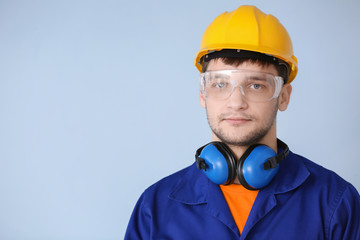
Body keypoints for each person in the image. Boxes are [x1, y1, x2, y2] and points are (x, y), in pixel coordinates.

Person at [125, 5, 360, 239]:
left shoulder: (335, 202)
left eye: (256, 85)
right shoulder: (155, 209)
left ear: (284, 96)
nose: (236, 102)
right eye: (220, 84)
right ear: (202, 95)